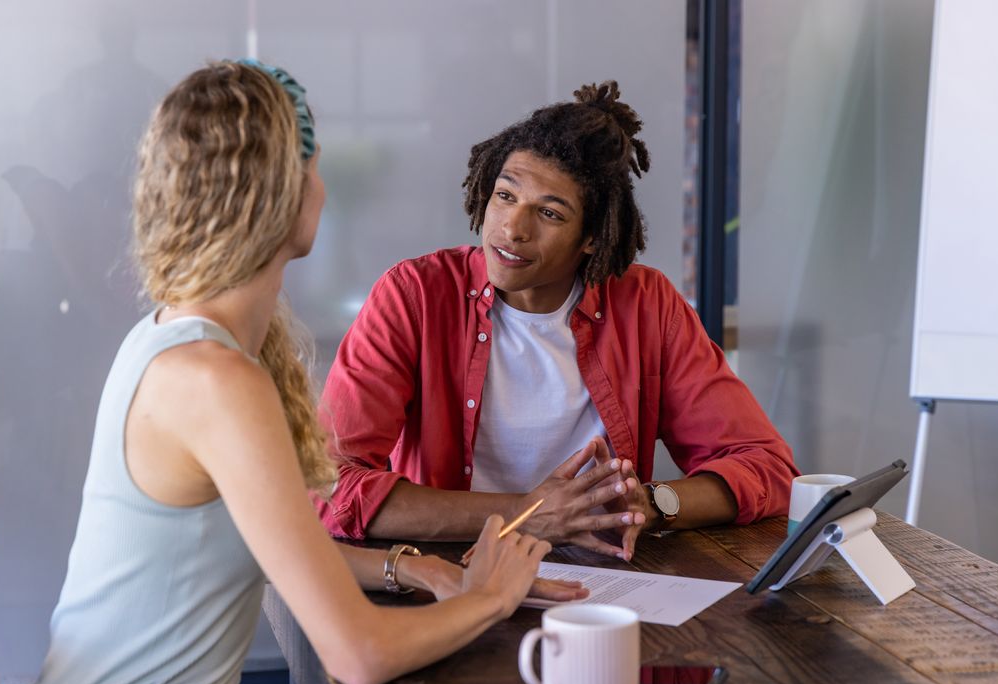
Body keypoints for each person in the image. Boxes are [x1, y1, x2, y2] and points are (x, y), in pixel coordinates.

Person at [23, 61, 583, 684]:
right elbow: (361, 655)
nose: (323, 186)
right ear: (280, 192)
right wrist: (490, 596)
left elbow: (277, 544)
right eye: (314, 168)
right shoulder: (216, 380)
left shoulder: (181, 336)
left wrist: (416, 568)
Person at [314, 80, 799, 561]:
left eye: (549, 213)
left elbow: (767, 467)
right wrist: (525, 513)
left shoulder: (646, 305)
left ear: (592, 238)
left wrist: (650, 505)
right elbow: (326, 485)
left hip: (611, 580)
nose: (513, 228)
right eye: (505, 196)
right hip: (452, 575)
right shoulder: (414, 296)